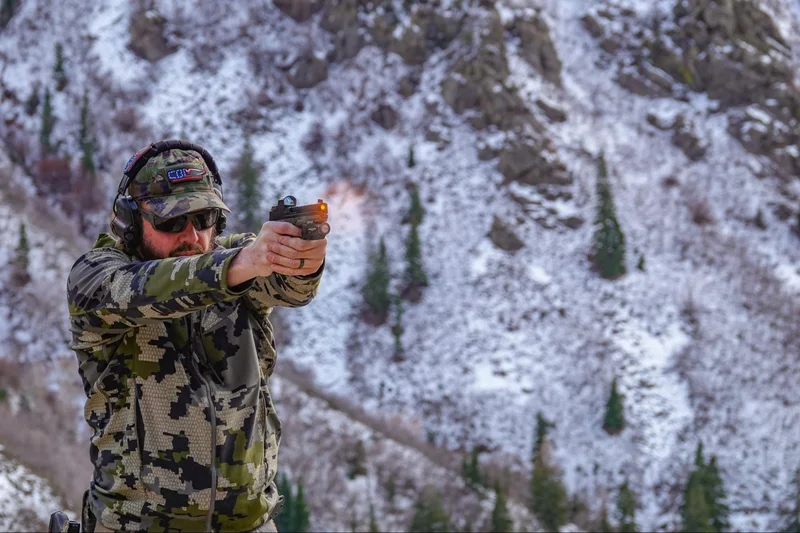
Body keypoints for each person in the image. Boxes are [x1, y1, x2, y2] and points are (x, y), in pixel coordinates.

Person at [66, 140, 327, 532]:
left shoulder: (237, 264)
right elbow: (141, 290)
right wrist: (239, 265)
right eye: (171, 223)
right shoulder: (97, 277)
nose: (192, 236)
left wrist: (302, 261)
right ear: (130, 223)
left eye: (204, 219)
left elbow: (292, 289)